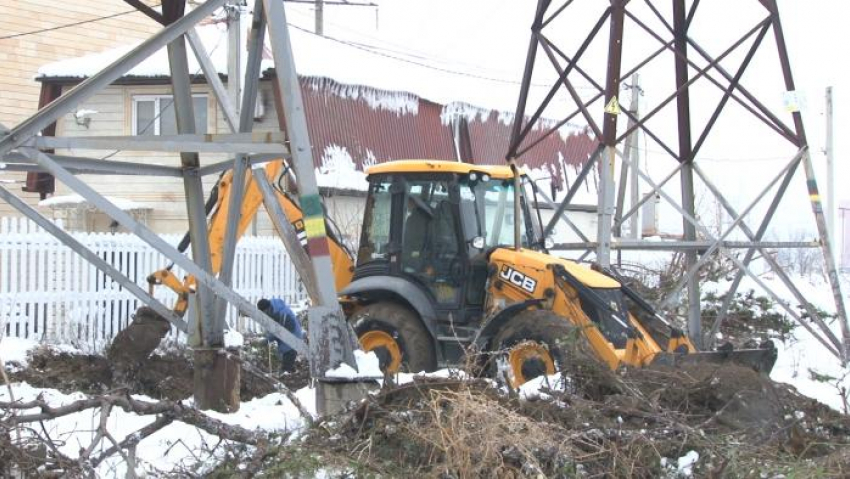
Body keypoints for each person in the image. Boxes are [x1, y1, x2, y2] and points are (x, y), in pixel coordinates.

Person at [257, 297, 304, 372]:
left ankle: (288, 376)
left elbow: (280, 332)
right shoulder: (274, 310)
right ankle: (291, 373)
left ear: (267, 309)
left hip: (292, 341)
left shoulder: (283, 314)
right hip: (286, 342)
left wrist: (268, 339)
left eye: (264, 313)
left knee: (286, 367)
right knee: (287, 365)